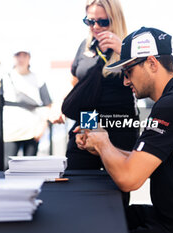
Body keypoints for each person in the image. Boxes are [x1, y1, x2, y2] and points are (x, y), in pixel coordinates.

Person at [77, 27, 173, 233]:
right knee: (100, 216)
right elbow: (140, 162)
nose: (125, 81)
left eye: (128, 71)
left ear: (151, 63)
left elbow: (129, 179)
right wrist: (102, 147)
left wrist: (103, 143)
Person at [61, 0, 139, 170]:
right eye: (90, 21)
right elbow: (76, 83)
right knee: (78, 182)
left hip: (118, 124)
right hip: (87, 123)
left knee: (115, 191)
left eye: (103, 22)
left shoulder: (130, 45)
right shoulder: (86, 45)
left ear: (115, 19)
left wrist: (123, 51)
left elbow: (145, 81)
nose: (95, 26)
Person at [2, 49, 53, 161]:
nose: (21, 59)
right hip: (10, 131)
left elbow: (47, 105)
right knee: (7, 166)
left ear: (29, 58)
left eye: (24, 55)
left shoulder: (38, 78)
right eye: (18, 55)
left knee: (30, 167)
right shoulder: (4, 78)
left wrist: (42, 128)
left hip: (32, 130)